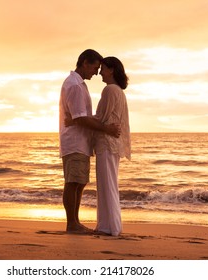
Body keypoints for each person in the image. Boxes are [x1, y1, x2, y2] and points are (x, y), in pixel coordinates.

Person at [59, 49, 120, 233]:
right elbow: (80, 119)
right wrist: (107, 129)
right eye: (94, 68)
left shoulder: (79, 84)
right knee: (73, 182)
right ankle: (72, 224)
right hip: (75, 141)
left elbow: (80, 117)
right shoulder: (75, 86)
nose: (96, 73)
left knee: (79, 182)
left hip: (81, 142)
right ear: (85, 63)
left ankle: (74, 223)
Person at [93, 56, 131, 236]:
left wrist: (78, 119)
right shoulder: (119, 92)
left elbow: (101, 118)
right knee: (109, 184)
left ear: (111, 70)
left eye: (103, 68)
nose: (100, 72)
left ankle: (109, 227)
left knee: (106, 185)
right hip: (112, 143)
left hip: (106, 143)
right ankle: (108, 225)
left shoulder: (109, 90)